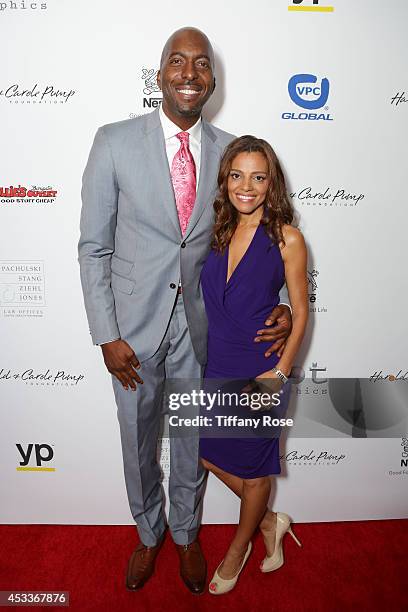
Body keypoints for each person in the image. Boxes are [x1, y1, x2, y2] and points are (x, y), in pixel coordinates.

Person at [78, 27, 293, 594]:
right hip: (132, 332)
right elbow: (94, 246)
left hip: (206, 332)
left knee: (193, 439)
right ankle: (149, 536)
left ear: (212, 81)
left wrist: (290, 306)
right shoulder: (113, 141)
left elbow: (267, 233)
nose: (189, 73)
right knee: (137, 441)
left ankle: (186, 534)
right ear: (160, 75)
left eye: (200, 64)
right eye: (178, 62)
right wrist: (106, 334)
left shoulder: (232, 153)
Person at [200, 135, 308, 595]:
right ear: (225, 179)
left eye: (258, 177)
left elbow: (300, 311)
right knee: (203, 452)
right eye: (237, 175)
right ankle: (269, 522)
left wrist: (278, 375)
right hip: (217, 362)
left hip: (262, 368)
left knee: (255, 470)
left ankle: (237, 549)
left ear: (272, 182)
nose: (247, 186)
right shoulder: (215, 231)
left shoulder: (287, 238)